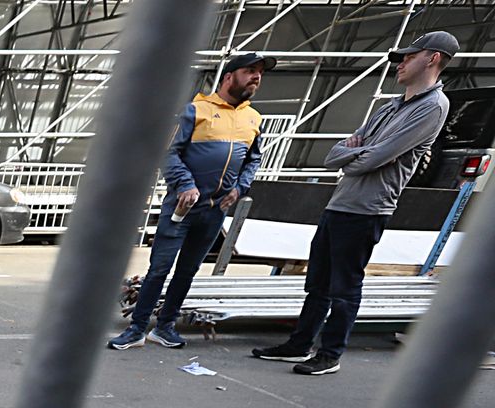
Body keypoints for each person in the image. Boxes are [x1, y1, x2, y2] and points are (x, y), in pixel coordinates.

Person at [252, 31, 456, 377]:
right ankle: (299, 344)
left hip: (368, 209)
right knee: (317, 281)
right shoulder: (390, 106)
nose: (401, 63)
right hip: (340, 203)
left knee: (345, 285)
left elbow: (370, 158)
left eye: (409, 56)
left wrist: (358, 153)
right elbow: (337, 155)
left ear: (432, 58)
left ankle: (330, 353)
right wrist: (360, 154)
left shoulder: (433, 108)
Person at [110, 53, 272, 351]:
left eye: (260, 73)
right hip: (181, 208)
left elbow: (254, 158)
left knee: (188, 271)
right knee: (159, 269)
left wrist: (240, 186)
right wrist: (185, 184)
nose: (256, 77)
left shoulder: (253, 118)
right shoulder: (194, 111)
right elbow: (169, 153)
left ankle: (166, 326)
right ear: (229, 77)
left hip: (215, 211)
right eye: (250, 71)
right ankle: (136, 329)